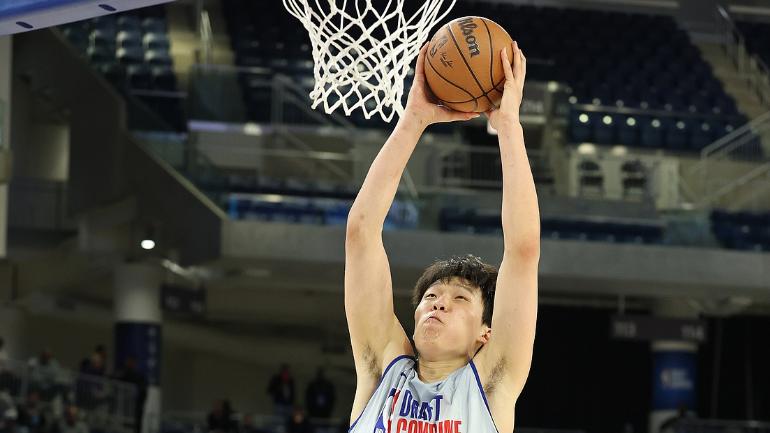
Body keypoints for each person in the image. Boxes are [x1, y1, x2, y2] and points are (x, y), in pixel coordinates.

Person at [344, 42, 538, 433]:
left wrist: (509, 128)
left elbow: (522, 251)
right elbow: (361, 233)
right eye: (432, 297)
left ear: (487, 331)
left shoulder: (490, 383)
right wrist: (414, 118)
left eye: (460, 298)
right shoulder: (382, 370)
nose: (438, 305)